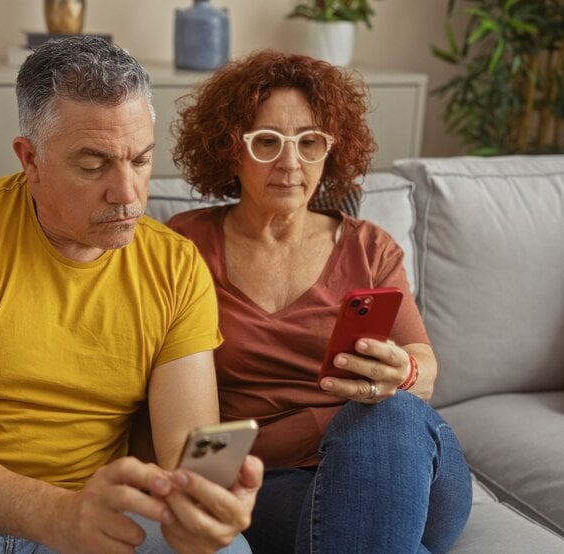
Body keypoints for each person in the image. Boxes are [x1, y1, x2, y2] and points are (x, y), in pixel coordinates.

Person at [0, 37, 263, 553]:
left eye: (140, 160)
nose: (127, 193)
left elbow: (188, 448)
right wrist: (54, 514)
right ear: (29, 159)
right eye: (93, 164)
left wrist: (205, 506)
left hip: (90, 510)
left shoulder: (176, 267)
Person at [167, 50, 472, 553]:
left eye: (309, 142)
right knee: (366, 522)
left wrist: (403, 375)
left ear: (332, 150)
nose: (291, 163)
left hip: (404, 461)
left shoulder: (370, 247)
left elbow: (425, 367)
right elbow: (163, 405)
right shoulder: (184, 246)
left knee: (386, 413)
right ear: (229, 150)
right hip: (267, 484)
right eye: (267, 142)